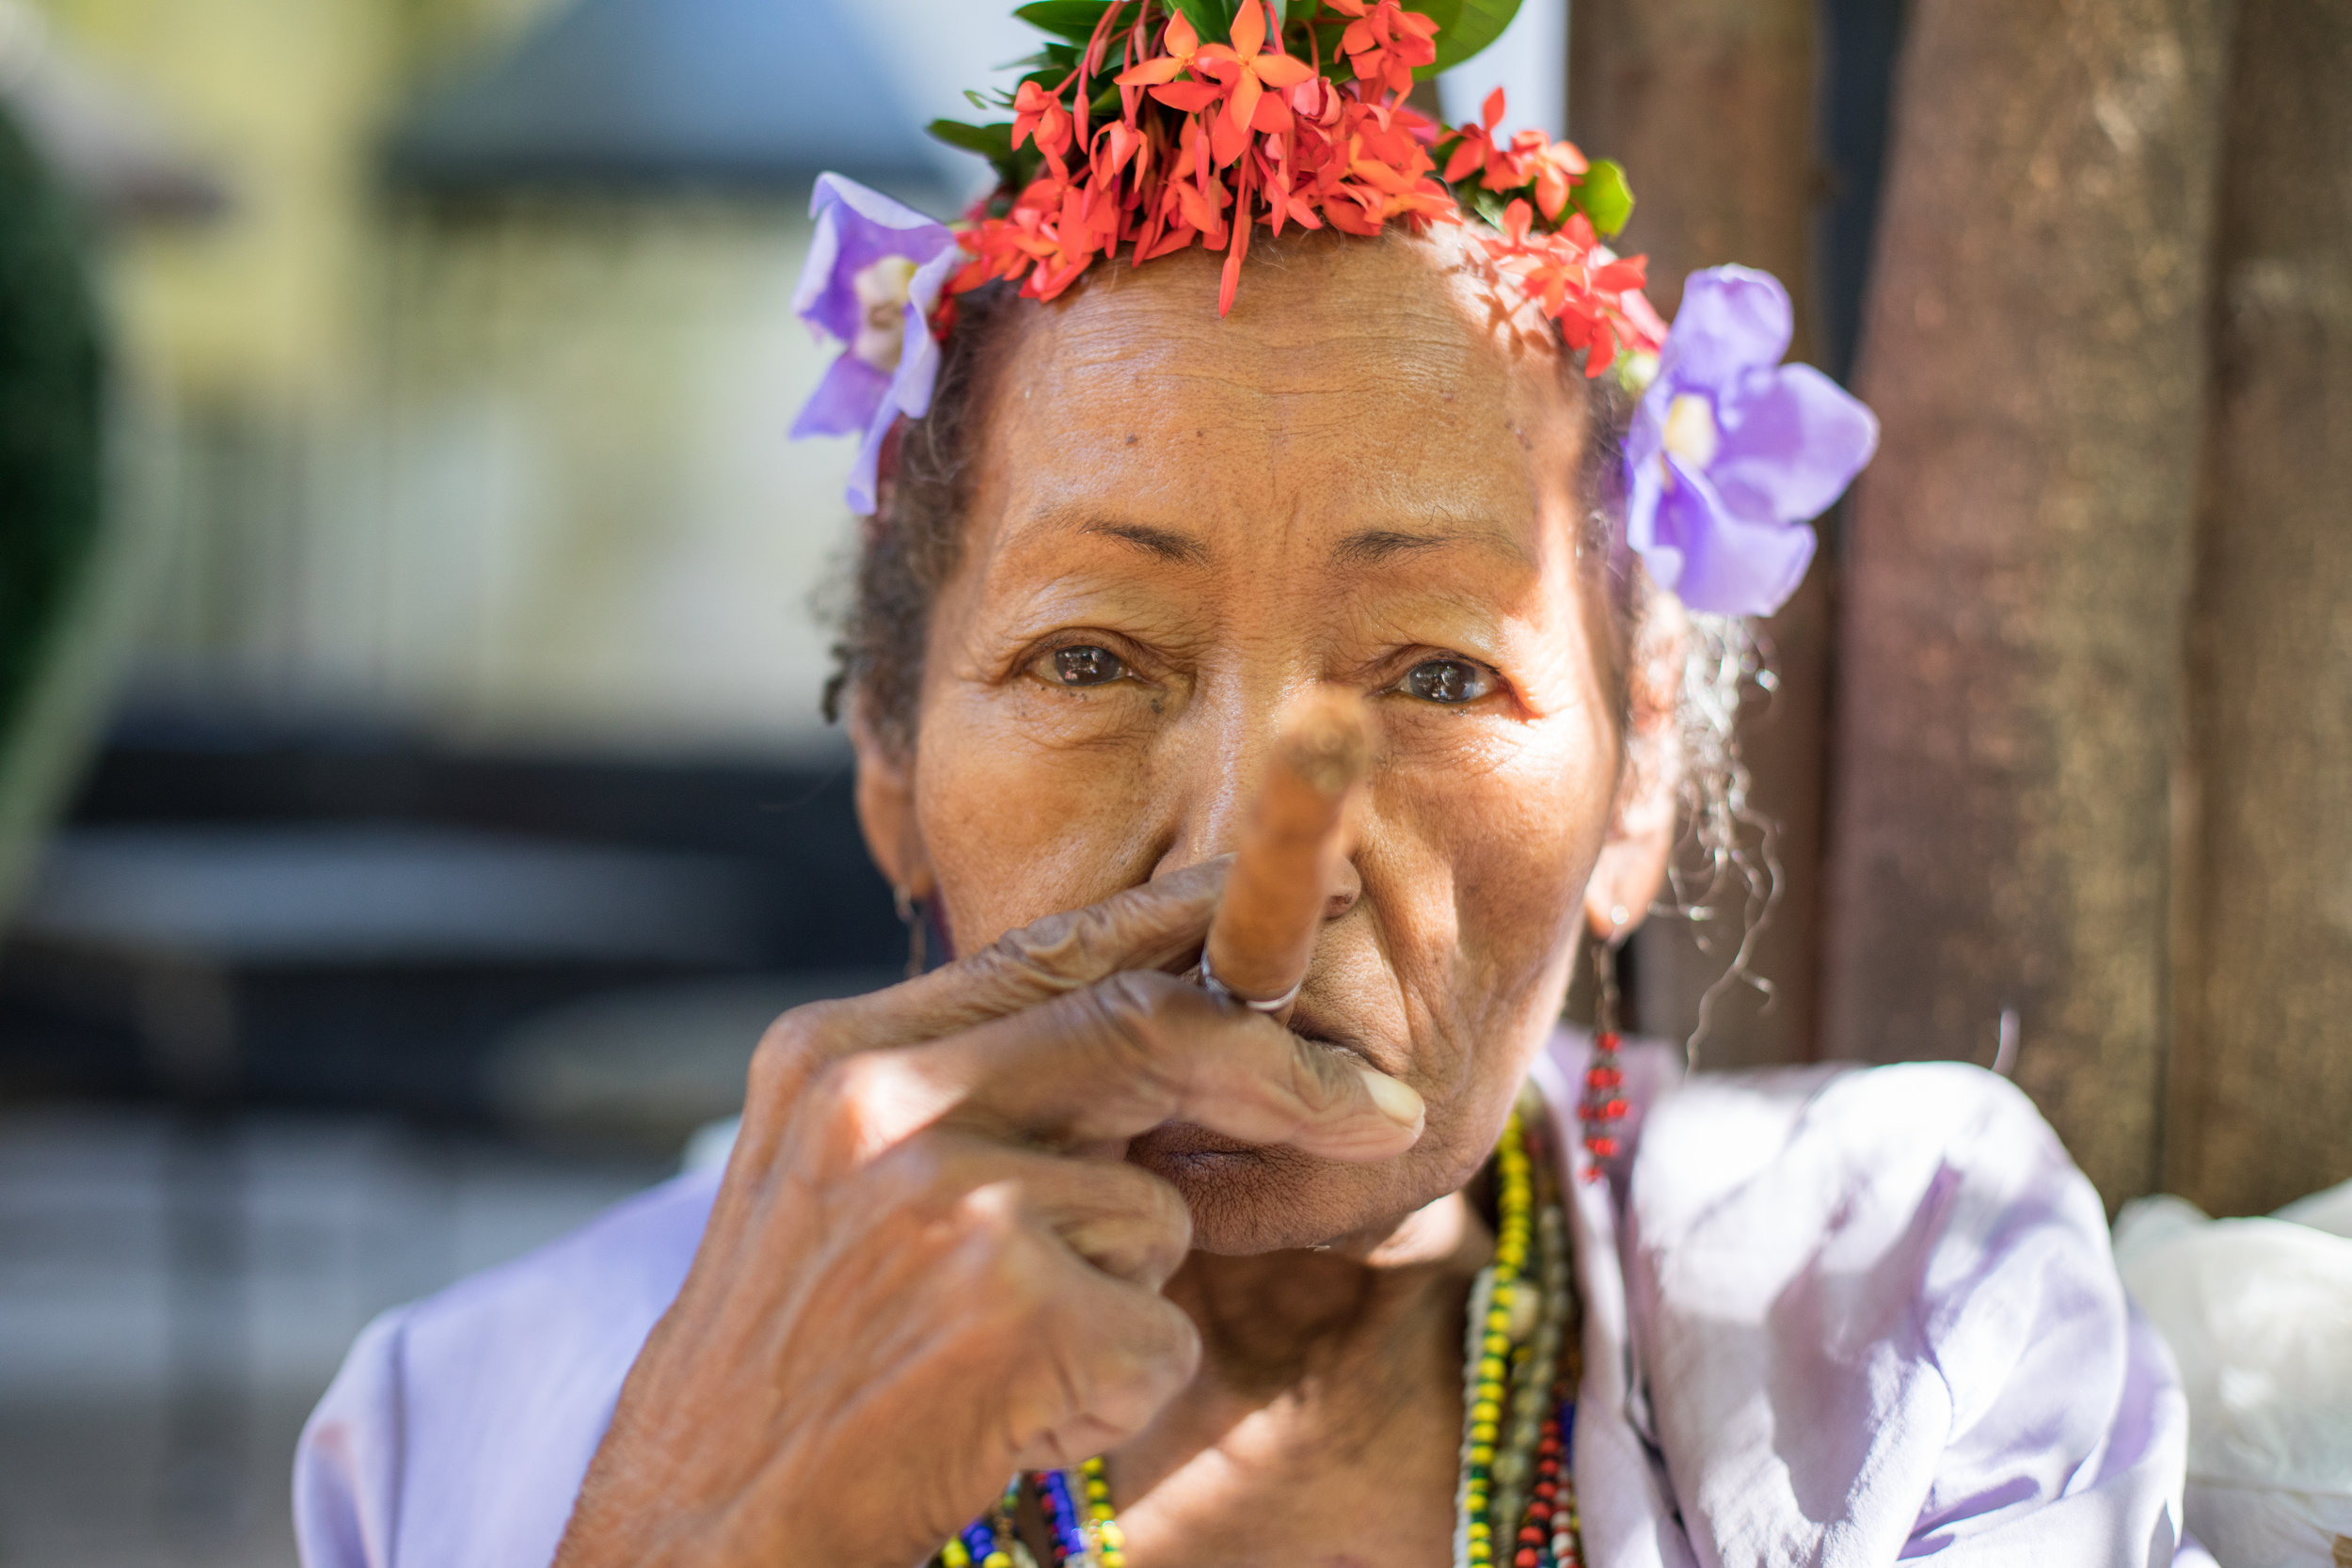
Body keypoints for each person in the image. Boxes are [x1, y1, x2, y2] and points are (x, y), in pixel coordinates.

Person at [294, 4, 2199, 1564]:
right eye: (1090, 659)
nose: (1241, 854)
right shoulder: (465, 1429)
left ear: (1633, 792)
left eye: (1440, 670)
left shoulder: (1896, 1305)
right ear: (887, 753)